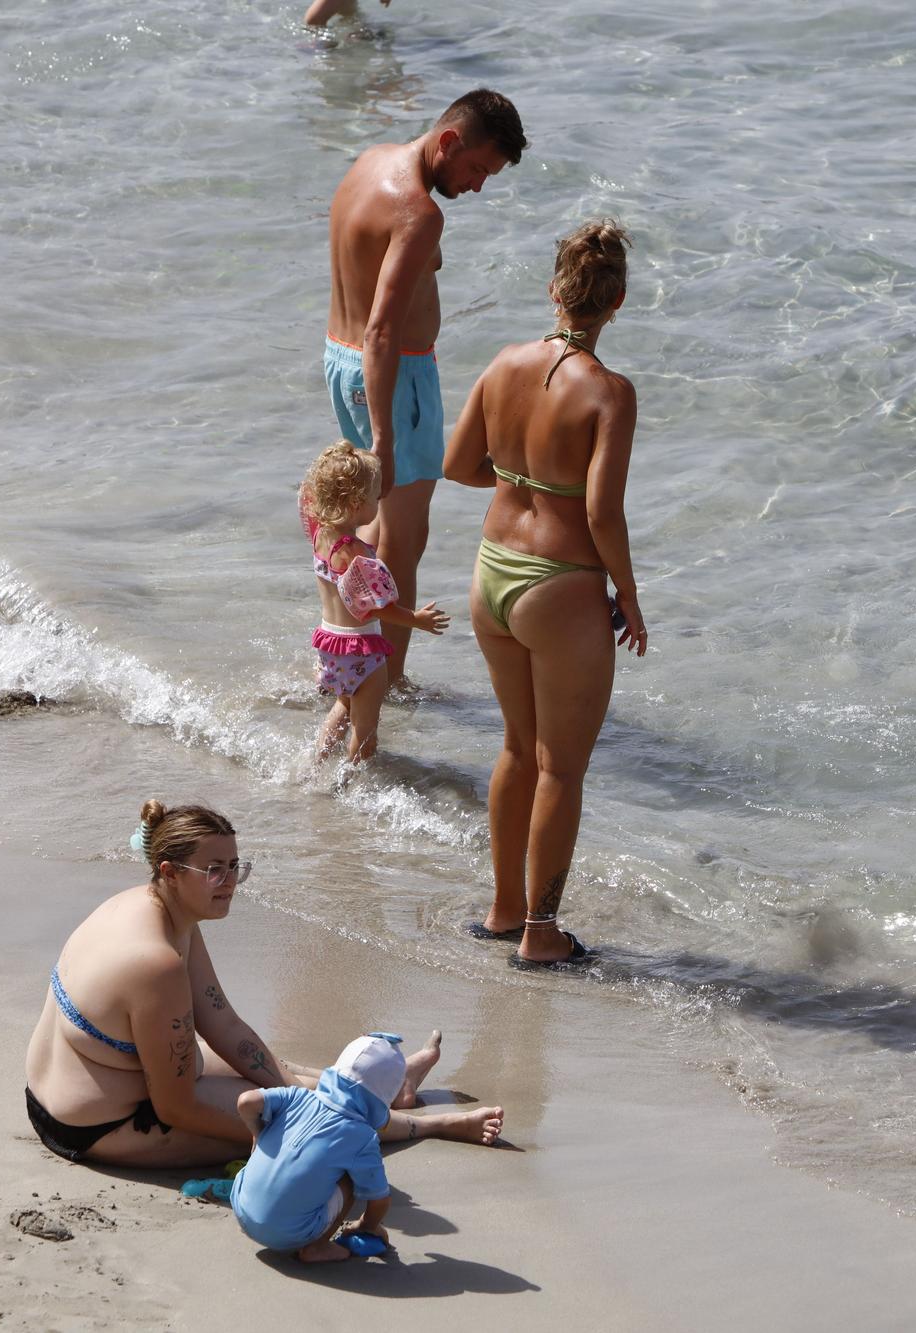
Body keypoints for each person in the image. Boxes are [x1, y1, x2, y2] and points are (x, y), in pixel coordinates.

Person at [24, 800, 503, 1167]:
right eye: (215, 870)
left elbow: (223, 1024)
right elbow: (174, 1108)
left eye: (236, 867)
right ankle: (431, 1126)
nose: (230, 881)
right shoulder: (155, 962)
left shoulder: (152, 909)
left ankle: (389, 1089)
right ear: (169, 871)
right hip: (99, 1124)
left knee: (279, 1070)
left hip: (106, 1079)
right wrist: (292, 1125)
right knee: (318, 1128)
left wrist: (289, 1088)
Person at [442, 220, 648, 967]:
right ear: (617, 301)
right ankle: (541, 931)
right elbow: (601, 513)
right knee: (561, 766)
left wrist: (517, 481)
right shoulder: (610, 394)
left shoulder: (503, 365)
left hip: (491, 570)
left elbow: (458, 464)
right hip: (560, 587)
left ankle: (502, 909)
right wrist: (628, 593)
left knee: (515, 749)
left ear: (553, 290)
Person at [323, 88, 527, 687]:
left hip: (341, 358)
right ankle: (384, 685)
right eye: (477, 168)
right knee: (405, 539)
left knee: (375, 526)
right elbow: (383, 329)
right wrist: (385, 435)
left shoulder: (370, 161)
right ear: (448, 141)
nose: (477, 186)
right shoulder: (419, 210)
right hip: (391, 374)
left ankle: (344, 655)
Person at [301, 440, 449, 764]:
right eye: (374, 497)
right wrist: (417, 619)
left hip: (330, 644)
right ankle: (351, 783)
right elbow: (376, 607)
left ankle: (315, 765)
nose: (378, 502)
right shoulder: (354, 551)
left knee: (343, 706)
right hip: (361, 649)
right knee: (365, 729)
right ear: (356, 503)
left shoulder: (321, 536)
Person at [231, 1033, 404, 1263]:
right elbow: (379, 1199)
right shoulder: (362, 1137)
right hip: (289, 1235)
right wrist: (367, 1226)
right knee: (351, 1179)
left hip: (241, 1208)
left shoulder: (297, 1096)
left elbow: (246, 1102)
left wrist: (258, 1136)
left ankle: (257, 1216)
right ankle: (317, 1248)